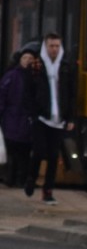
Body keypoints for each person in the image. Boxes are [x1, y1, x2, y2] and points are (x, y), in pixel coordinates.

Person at [26, 33, 76, 204]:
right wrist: (32, 114)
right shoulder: (37, 65)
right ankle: (31, 178)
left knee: (54, 157)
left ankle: (48, 191)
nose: (54, 49)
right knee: (39, 151)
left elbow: (71, 93)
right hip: (41, 117)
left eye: (57, 46)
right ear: (45, 47)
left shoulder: (66, 66)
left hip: (58, 119)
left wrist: (70, 118)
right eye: (51, 46)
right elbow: (29, 91)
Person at [0, 46, 37, 187]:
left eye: (30, 58)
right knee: (13, 150)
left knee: (24, 152)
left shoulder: (34, 76)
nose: (27, 61)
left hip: (24, 119)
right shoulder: (12, 76)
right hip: (13, 118)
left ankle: (20, 179)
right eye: (25, 58)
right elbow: (3, 96)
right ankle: (12, 178)